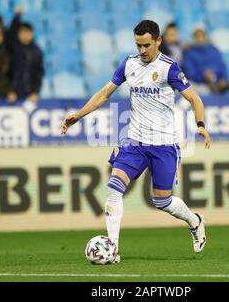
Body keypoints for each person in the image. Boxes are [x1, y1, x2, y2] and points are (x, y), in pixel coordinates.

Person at [61, 20, 210, 263]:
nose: (142, 50)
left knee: (161, 201)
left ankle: (195, 221)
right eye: (138, 45)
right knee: (113, 188)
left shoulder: (169, 68)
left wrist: (201, 126)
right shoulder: (129, 64)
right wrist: (77, 115)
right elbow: (103, 94)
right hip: (135, 143)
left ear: (158, 41)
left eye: (147, 45)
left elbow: (195, 99)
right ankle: (113, 248)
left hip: (164, 145)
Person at [183, 28, 229, 95]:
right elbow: (190, 72)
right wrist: (203, 76)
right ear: (194, 38)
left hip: (218, 81)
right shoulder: (189, 53)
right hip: (200, 84)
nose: (200, 39)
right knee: (203, 90)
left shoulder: (214, 50)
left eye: (202, 36)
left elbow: (222, 66)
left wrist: (223, 79)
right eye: (197, 36)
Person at [7, 9, 45, 103]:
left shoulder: (37, 51)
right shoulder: (12, 49)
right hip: (12, 95)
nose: (26, 35)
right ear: (18, 34)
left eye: (28, 33)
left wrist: (35, 92)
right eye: (23, 33)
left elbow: (39, 74)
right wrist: (9, 91)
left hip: (30, 96)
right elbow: (7, 72)